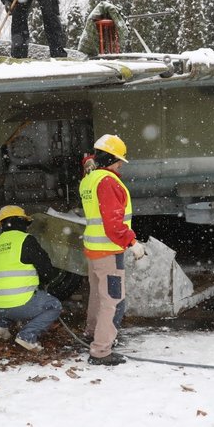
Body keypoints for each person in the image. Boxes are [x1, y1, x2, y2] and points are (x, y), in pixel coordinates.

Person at [79, 134, 146, 366]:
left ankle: (91, 334)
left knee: (98, 296)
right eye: (119, 161)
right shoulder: (108, 181)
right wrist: (132, 243)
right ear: (110, 159)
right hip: (109, 251)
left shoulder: (90, 177)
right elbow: (113, 224)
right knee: (114, 301)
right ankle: (101, 351)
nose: (120, 165)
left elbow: (89, 161)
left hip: (94, 250)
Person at [0, 205, 62, 352]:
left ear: (2, 224)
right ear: (22, 222)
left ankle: (1, 325)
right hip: (18, 303)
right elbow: (47, 271)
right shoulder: (26, 240)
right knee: (54, 306)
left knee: (9, 299)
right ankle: (27, 336)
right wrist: (49, 277)